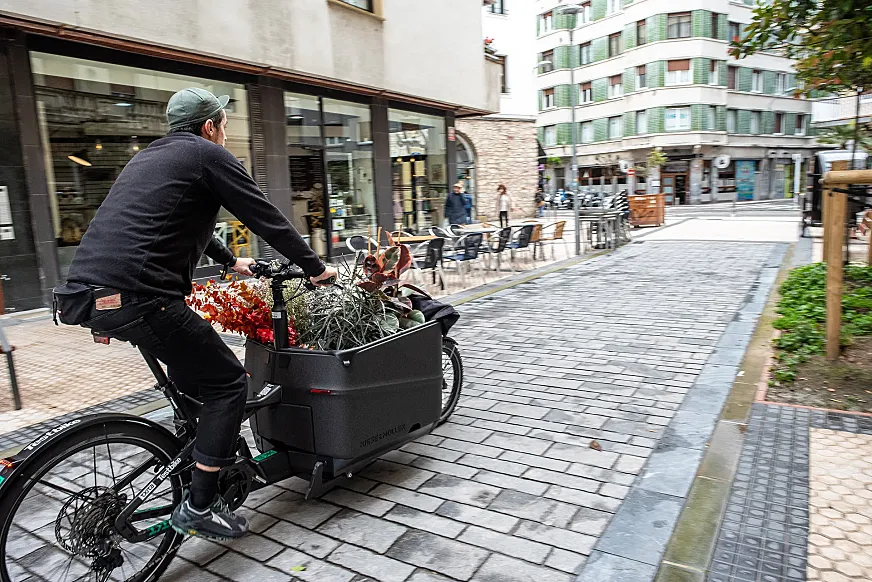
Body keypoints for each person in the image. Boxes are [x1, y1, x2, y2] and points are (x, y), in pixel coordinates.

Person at [60, 88, 338, 541]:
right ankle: (200, 504)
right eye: (224, 124)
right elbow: (264, 216)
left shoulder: (150, 158)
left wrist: (231, 262)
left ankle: (197, 458)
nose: (224, 133)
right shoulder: (208, 155)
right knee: (228, 383)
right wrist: (316, 268)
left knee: (193, 378)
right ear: (210, 126)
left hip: (88, 296)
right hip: (141, 298)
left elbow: (181, 219)